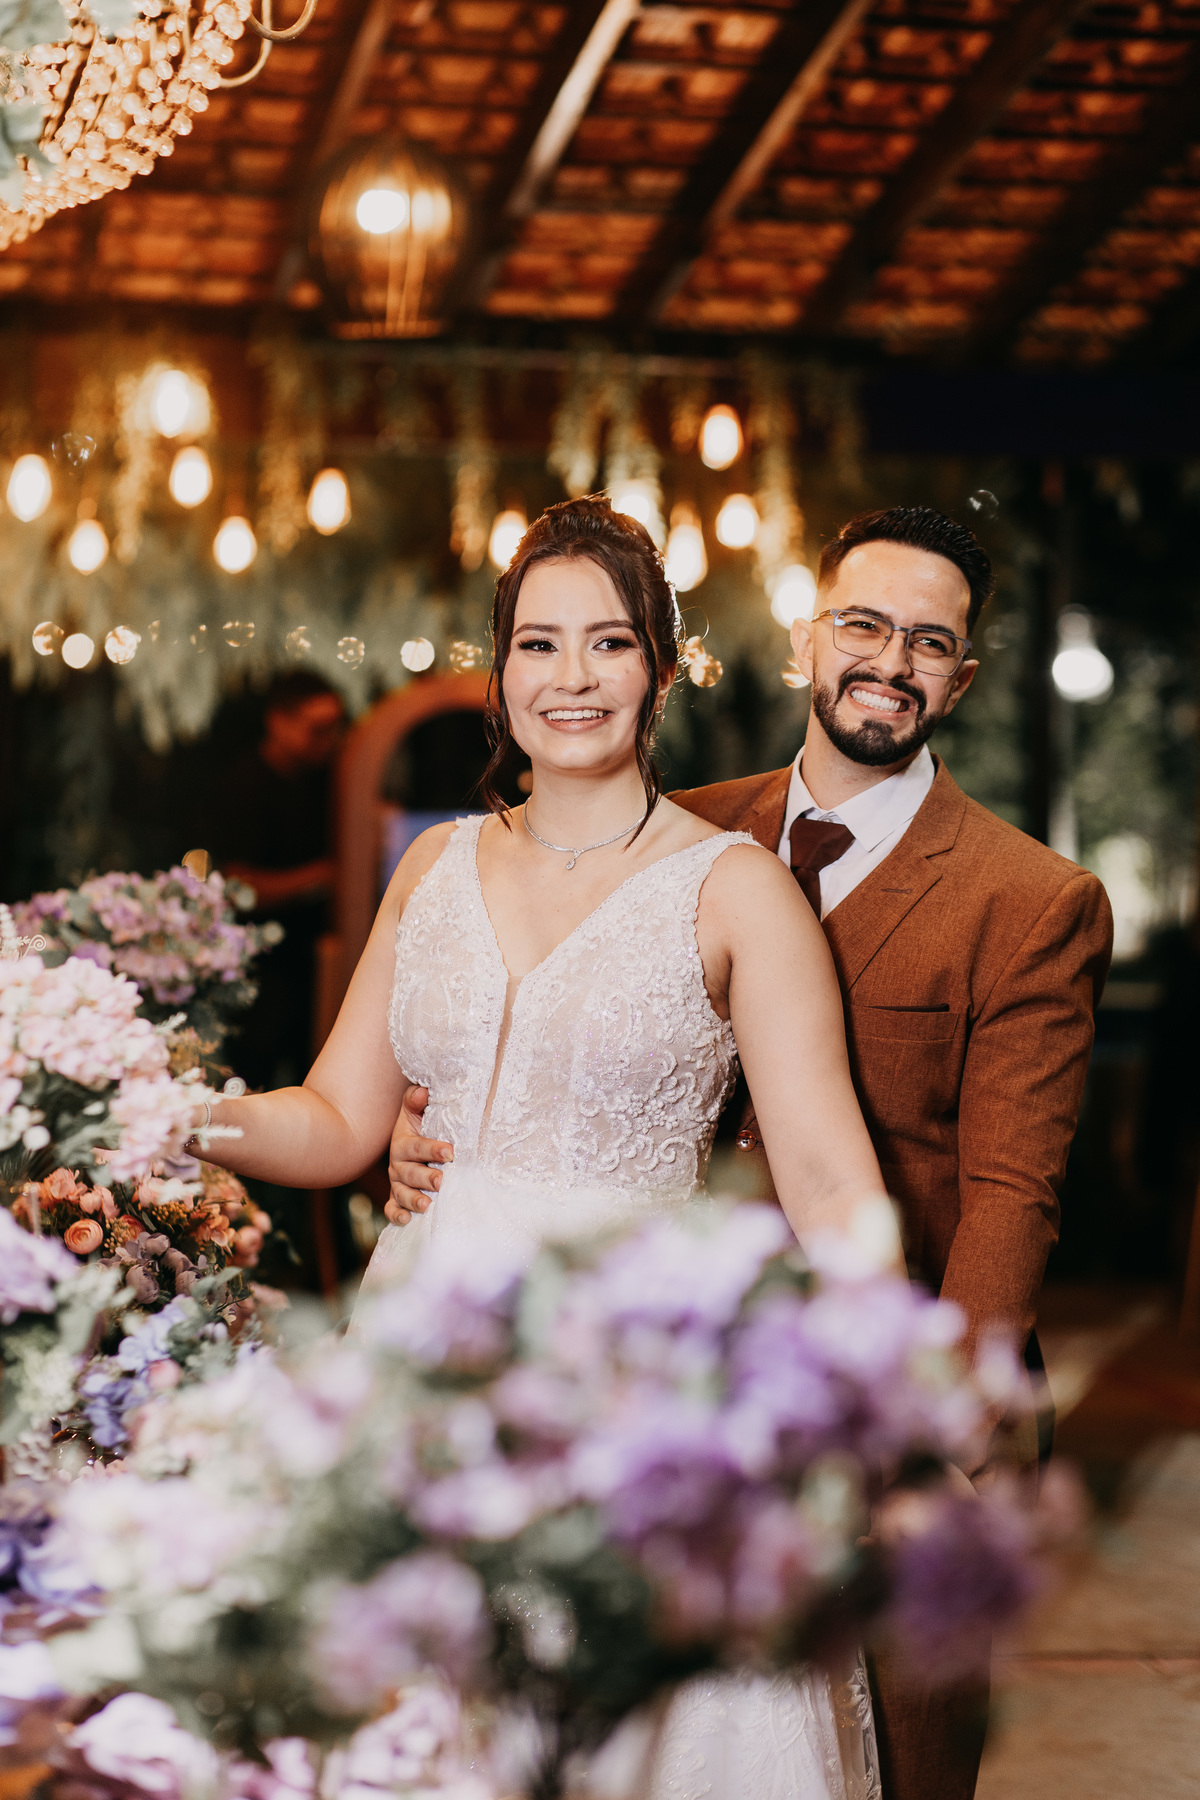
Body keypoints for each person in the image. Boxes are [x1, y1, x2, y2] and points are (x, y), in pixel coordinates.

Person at [386, 504, 1114, 1800]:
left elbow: (1012, 1196)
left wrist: (926, 1417)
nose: (891, 661)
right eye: (864, 625)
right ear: (805, 639)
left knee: (886, 1763)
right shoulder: (680, 836)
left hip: (889, 1377)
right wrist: (426, 1126)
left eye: (929, 642)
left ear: (962, 677)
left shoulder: (1031, 900)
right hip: (662, 1391)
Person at [190, 495, 897, 1800]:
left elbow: (830, 1179)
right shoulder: (434, 866)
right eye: (539, 644)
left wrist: (867, 1392)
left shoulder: (737, 889)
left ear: (663, 671)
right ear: (500, 669)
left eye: (610, 643)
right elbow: (337, 1119)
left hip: (631, 1388)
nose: (572, 677)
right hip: (421, 1377)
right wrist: (167, 1117)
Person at [211, 671, 345, 1091]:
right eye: (317, 730)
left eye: (334, 729)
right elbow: (238, 889)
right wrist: (322, 878)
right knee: (253, 1087)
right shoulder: (244, 786)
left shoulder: (327, 780)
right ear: (277, 721)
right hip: (261, 972)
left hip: (314, 966)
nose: (329, 741)